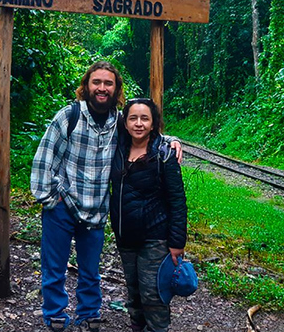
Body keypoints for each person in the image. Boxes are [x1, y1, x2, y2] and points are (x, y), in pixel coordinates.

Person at [31, 61, 183, 332]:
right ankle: (55, 314)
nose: (102, 88)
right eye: (97, 82)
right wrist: (50, 198)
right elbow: (44, 159)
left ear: (116, 89)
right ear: (86, 86)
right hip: (63, 205)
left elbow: (144, 131)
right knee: (54, 267)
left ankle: (89, 314)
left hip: (96, 209)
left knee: (90, 270)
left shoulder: (119, 122)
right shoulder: (69, 116)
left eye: (108, 83)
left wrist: (172, 139)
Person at [110, 98, 189, 332]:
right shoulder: (116, 148)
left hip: (155, 237)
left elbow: (177, 200)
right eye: (133, 118)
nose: (138, 123)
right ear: (125, 123)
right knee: (134, 293)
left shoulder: (165, 153)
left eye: (145, 118)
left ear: (154, 124)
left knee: (153, 294)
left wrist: (177, 242)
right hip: (125, 236)